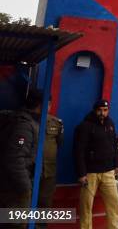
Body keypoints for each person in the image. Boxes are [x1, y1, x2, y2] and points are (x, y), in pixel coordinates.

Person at [74, 99, 118, 229]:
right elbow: (79, 151)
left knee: (113, 205)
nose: (102, 113)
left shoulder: (110, 123)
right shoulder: (85, 126)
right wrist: (82, 173)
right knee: (86, 207)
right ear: (95, 111)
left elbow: (114, 144)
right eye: (99, 110)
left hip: (108, 172)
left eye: (105, 110)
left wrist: (117, 164)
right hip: (90, 174)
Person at [0, 89, 43, 229]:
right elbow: (14, 158)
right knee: (17, 224)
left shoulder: (21, 119)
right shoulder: (24, 125)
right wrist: (25, 187)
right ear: (41, 105)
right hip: (15, 187)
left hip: (9, 183)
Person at [38, 93, 64, 228]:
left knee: (44, 201)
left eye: (48, 104)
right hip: (29, 171)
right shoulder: (27, 121)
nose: (45, 107)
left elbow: (59, 144)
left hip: (48, 170)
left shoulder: (56, 123)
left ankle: (41, 226)